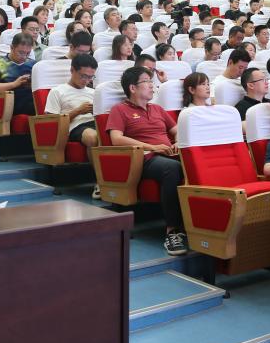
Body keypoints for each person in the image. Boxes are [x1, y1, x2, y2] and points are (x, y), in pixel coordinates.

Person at [106, 66, 187, 256]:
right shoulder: (119, 110)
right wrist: (152, 147)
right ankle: (172, 231)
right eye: (147, 81)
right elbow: (116, 139)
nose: (152, 85)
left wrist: (177, 142)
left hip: (168, 154)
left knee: (193, 166)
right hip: (143, 159)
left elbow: (178, 131)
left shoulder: (157, 109)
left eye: (152, 81)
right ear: (132, 88)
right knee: (172, 168)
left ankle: (197, 226)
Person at [44, 54, 99, 194]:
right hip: (75, 126)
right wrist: (78, 111)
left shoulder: (94, 92)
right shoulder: (57, 91)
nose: (86, 80)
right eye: (83, 76)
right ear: (72, 70)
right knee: (93, 137)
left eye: (90, 77)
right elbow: (50, 123)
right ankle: (101, 181)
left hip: (96, 122)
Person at [0, 33, 36, 117]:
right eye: (21, 52)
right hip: (9, 105)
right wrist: (14, 84)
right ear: (12, 48)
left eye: (28, 53)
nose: (24, 57)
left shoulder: (34, 64)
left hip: (31, 102)